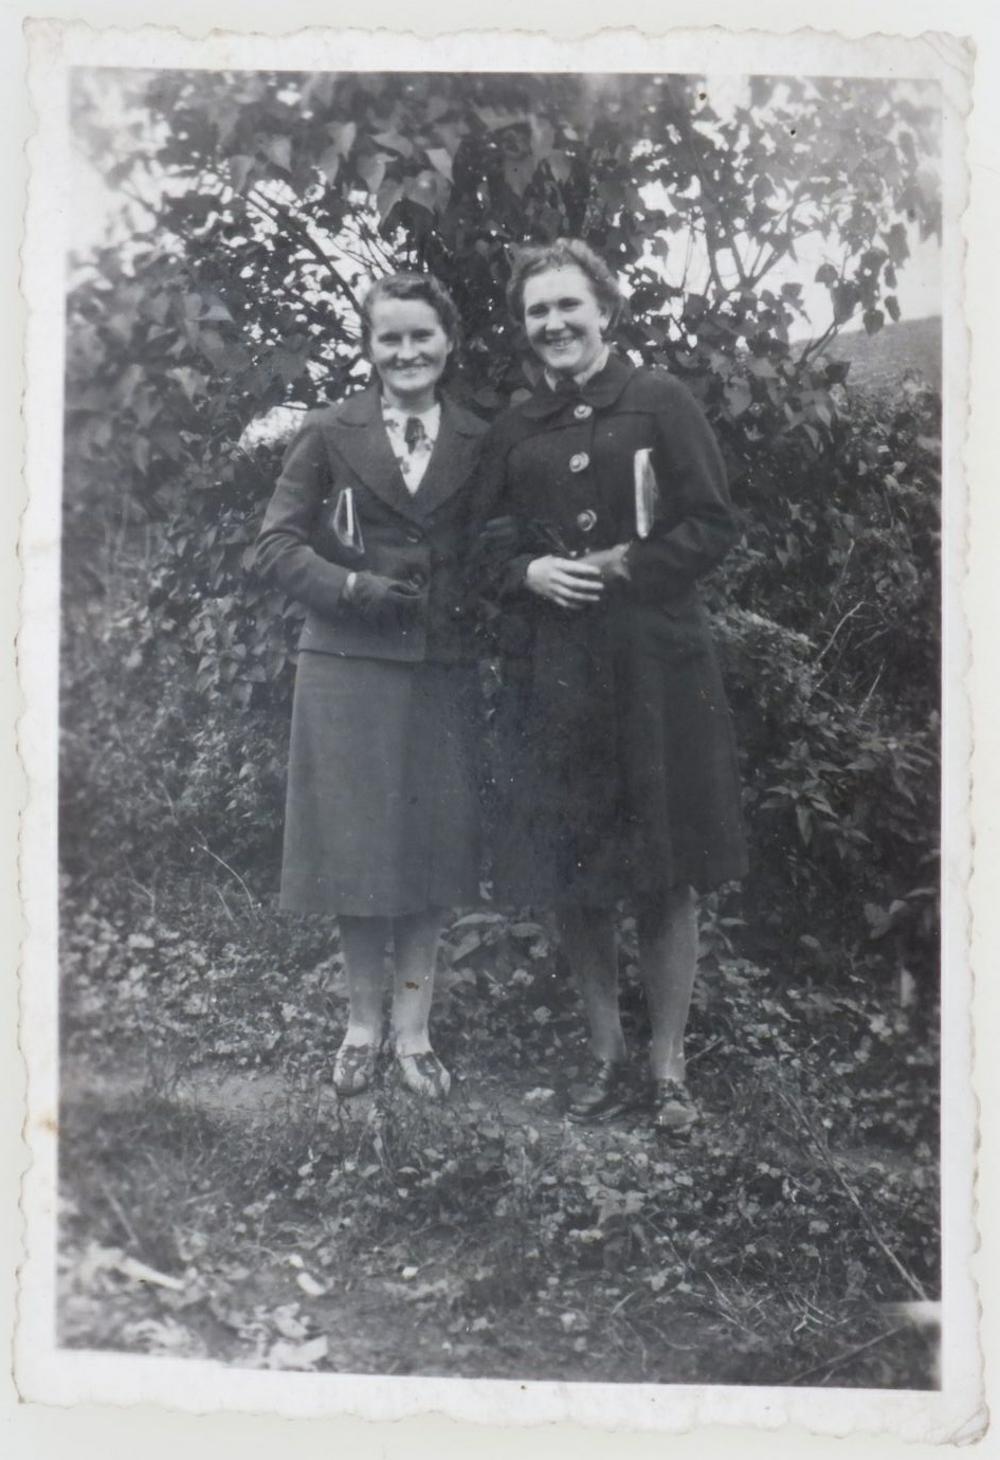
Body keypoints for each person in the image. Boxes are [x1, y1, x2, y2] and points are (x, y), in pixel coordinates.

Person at [475, 238, 748, 1131]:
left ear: (604, 310)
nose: (554, 323)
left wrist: (625, 563)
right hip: (555, 678)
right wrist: (528, 573)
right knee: (576, 873)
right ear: (524, 327)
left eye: (568, 305)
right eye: (537, 312)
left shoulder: (658, 399)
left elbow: (711, 524)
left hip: (655, 669)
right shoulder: (514, 430)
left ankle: (668, 1068)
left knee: (665, 871)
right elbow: (483, 545)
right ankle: (606, 1056)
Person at [255, 272, 488, 1099]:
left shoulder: (479, 436)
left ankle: (414, 1033)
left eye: (422, 334)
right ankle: (361, 1026)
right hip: (348, 665)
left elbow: (495, 546)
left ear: (448, 341)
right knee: (355, 853)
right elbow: (277, 545)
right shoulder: (329, 431)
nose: (407, 351)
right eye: (390, 336)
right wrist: (351, 588)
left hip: (440, 670)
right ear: (369, 346)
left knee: (430, 854)